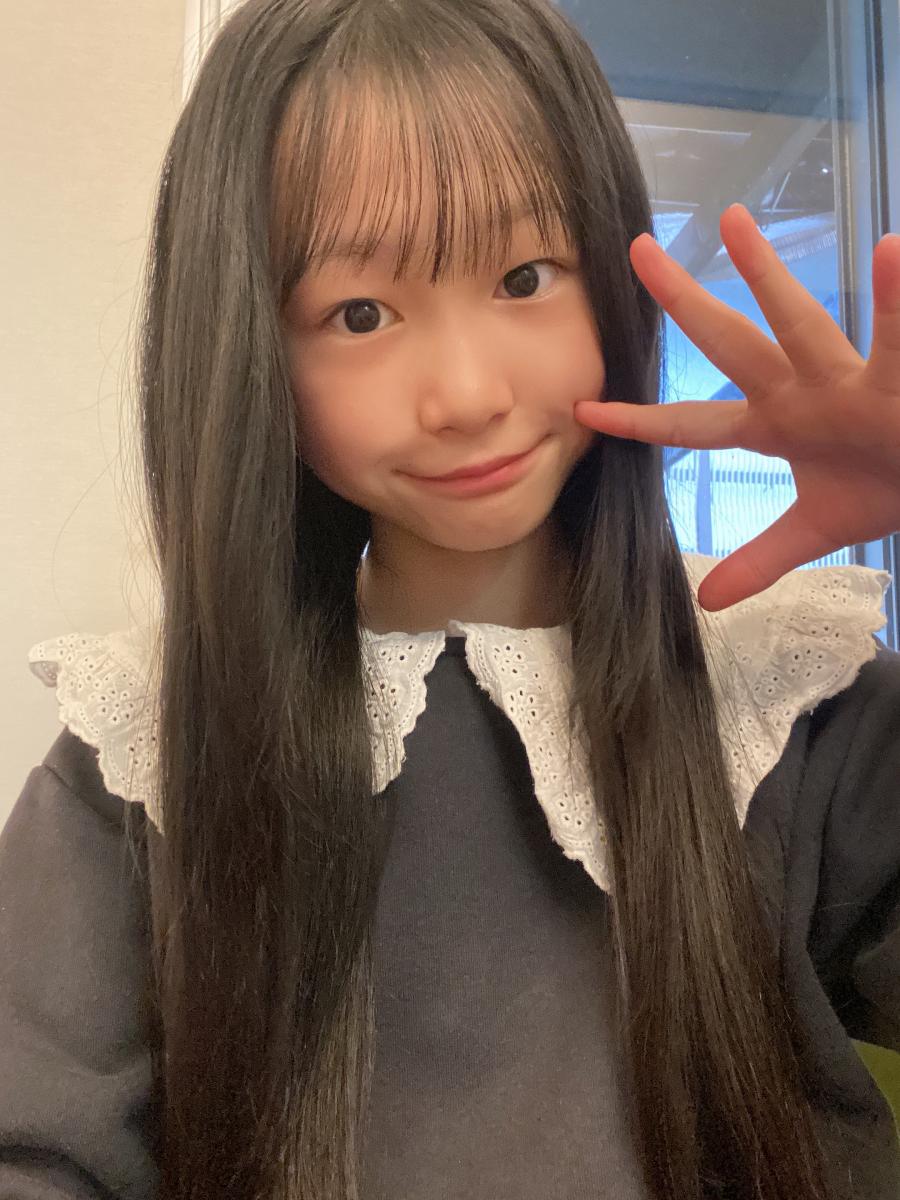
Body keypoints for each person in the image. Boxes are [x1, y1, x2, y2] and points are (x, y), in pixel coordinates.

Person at [2, 1, 900, 1198]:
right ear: (248, 346)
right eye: (359, 314)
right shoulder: (145, 744)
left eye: (524, 276)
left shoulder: (783, 696)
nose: (467, 394)